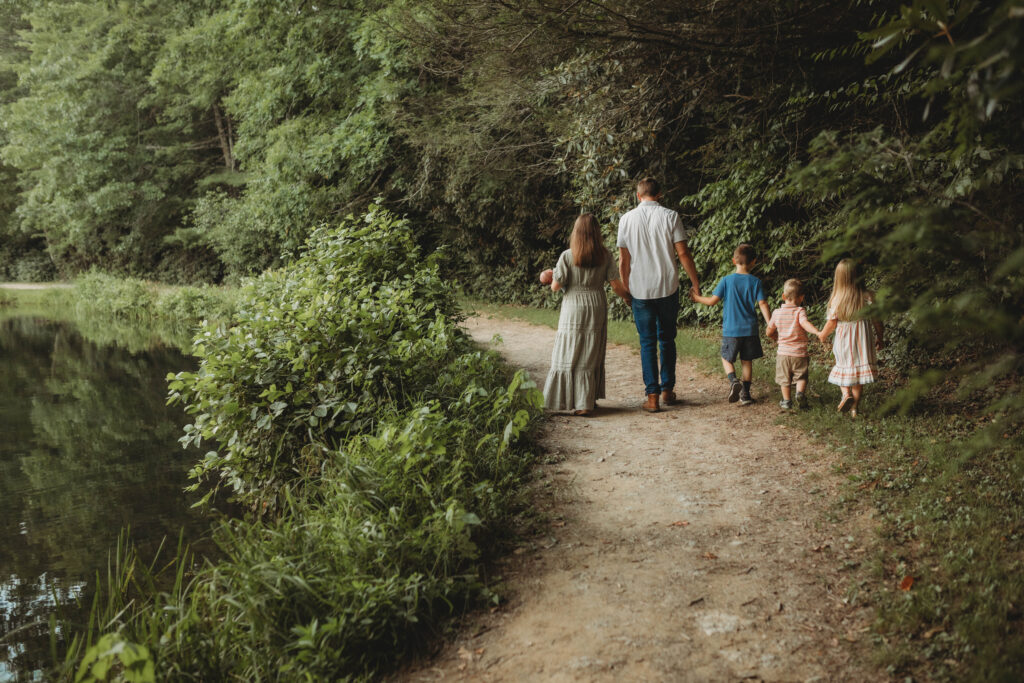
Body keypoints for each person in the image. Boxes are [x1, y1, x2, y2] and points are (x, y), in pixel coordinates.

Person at [616, 177, 700, 413]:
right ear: (659, 195)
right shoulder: (671, 216)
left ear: (638, 195)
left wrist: (625, 289)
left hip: (640, 290)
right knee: (667, 339)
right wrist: (695, 282)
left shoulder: (626, 219)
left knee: (647, 342)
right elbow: (683, 253)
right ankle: (667, 390)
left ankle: (652, 397)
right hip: (667, 287)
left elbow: (624, 260)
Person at [539, 213, 632, 416]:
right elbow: (616, 285)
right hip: (596, 304)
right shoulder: (605, 255)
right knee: (590, 351)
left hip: (572, 306)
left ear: (576, 232)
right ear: (597, 233)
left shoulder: (567, 256)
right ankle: (585, 402)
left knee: (568, 349)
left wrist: (550, 274)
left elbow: (556, 287)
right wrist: (629, 298)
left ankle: (562, 400)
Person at [691, 243, 771, 406]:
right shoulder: (756, 282)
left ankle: (734, 380)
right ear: (754, 261)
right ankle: (746, 395)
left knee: (726, 357)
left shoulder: (726, 280)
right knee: (746, 361)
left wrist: (698, 298)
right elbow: (762, 303)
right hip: (750, 330)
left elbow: (713, 301)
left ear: (733, 260)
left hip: (731, 330)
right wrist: (770, 324)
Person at [817, 259, 884, 418]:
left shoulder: (837, 299)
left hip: (844, 340)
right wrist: (880, 338)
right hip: (863, 341)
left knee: (844, 367)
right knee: (859, 375)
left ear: (839, 278)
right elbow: (877, 321)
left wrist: (822, 335)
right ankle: (854, 408)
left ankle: (845, 394)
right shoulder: (868, 296)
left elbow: (831, 323)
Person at [765, 278, 821, 410]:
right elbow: (804, 324)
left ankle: (786, 401)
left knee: (784, 379)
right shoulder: (800, 311)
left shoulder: (777, 313)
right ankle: (800, 393)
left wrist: (774, 336)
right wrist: (817, 332)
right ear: (801, 298)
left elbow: (769, 331)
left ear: (783, 296)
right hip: (799, 353)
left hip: (783, 354)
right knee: (801, 376)